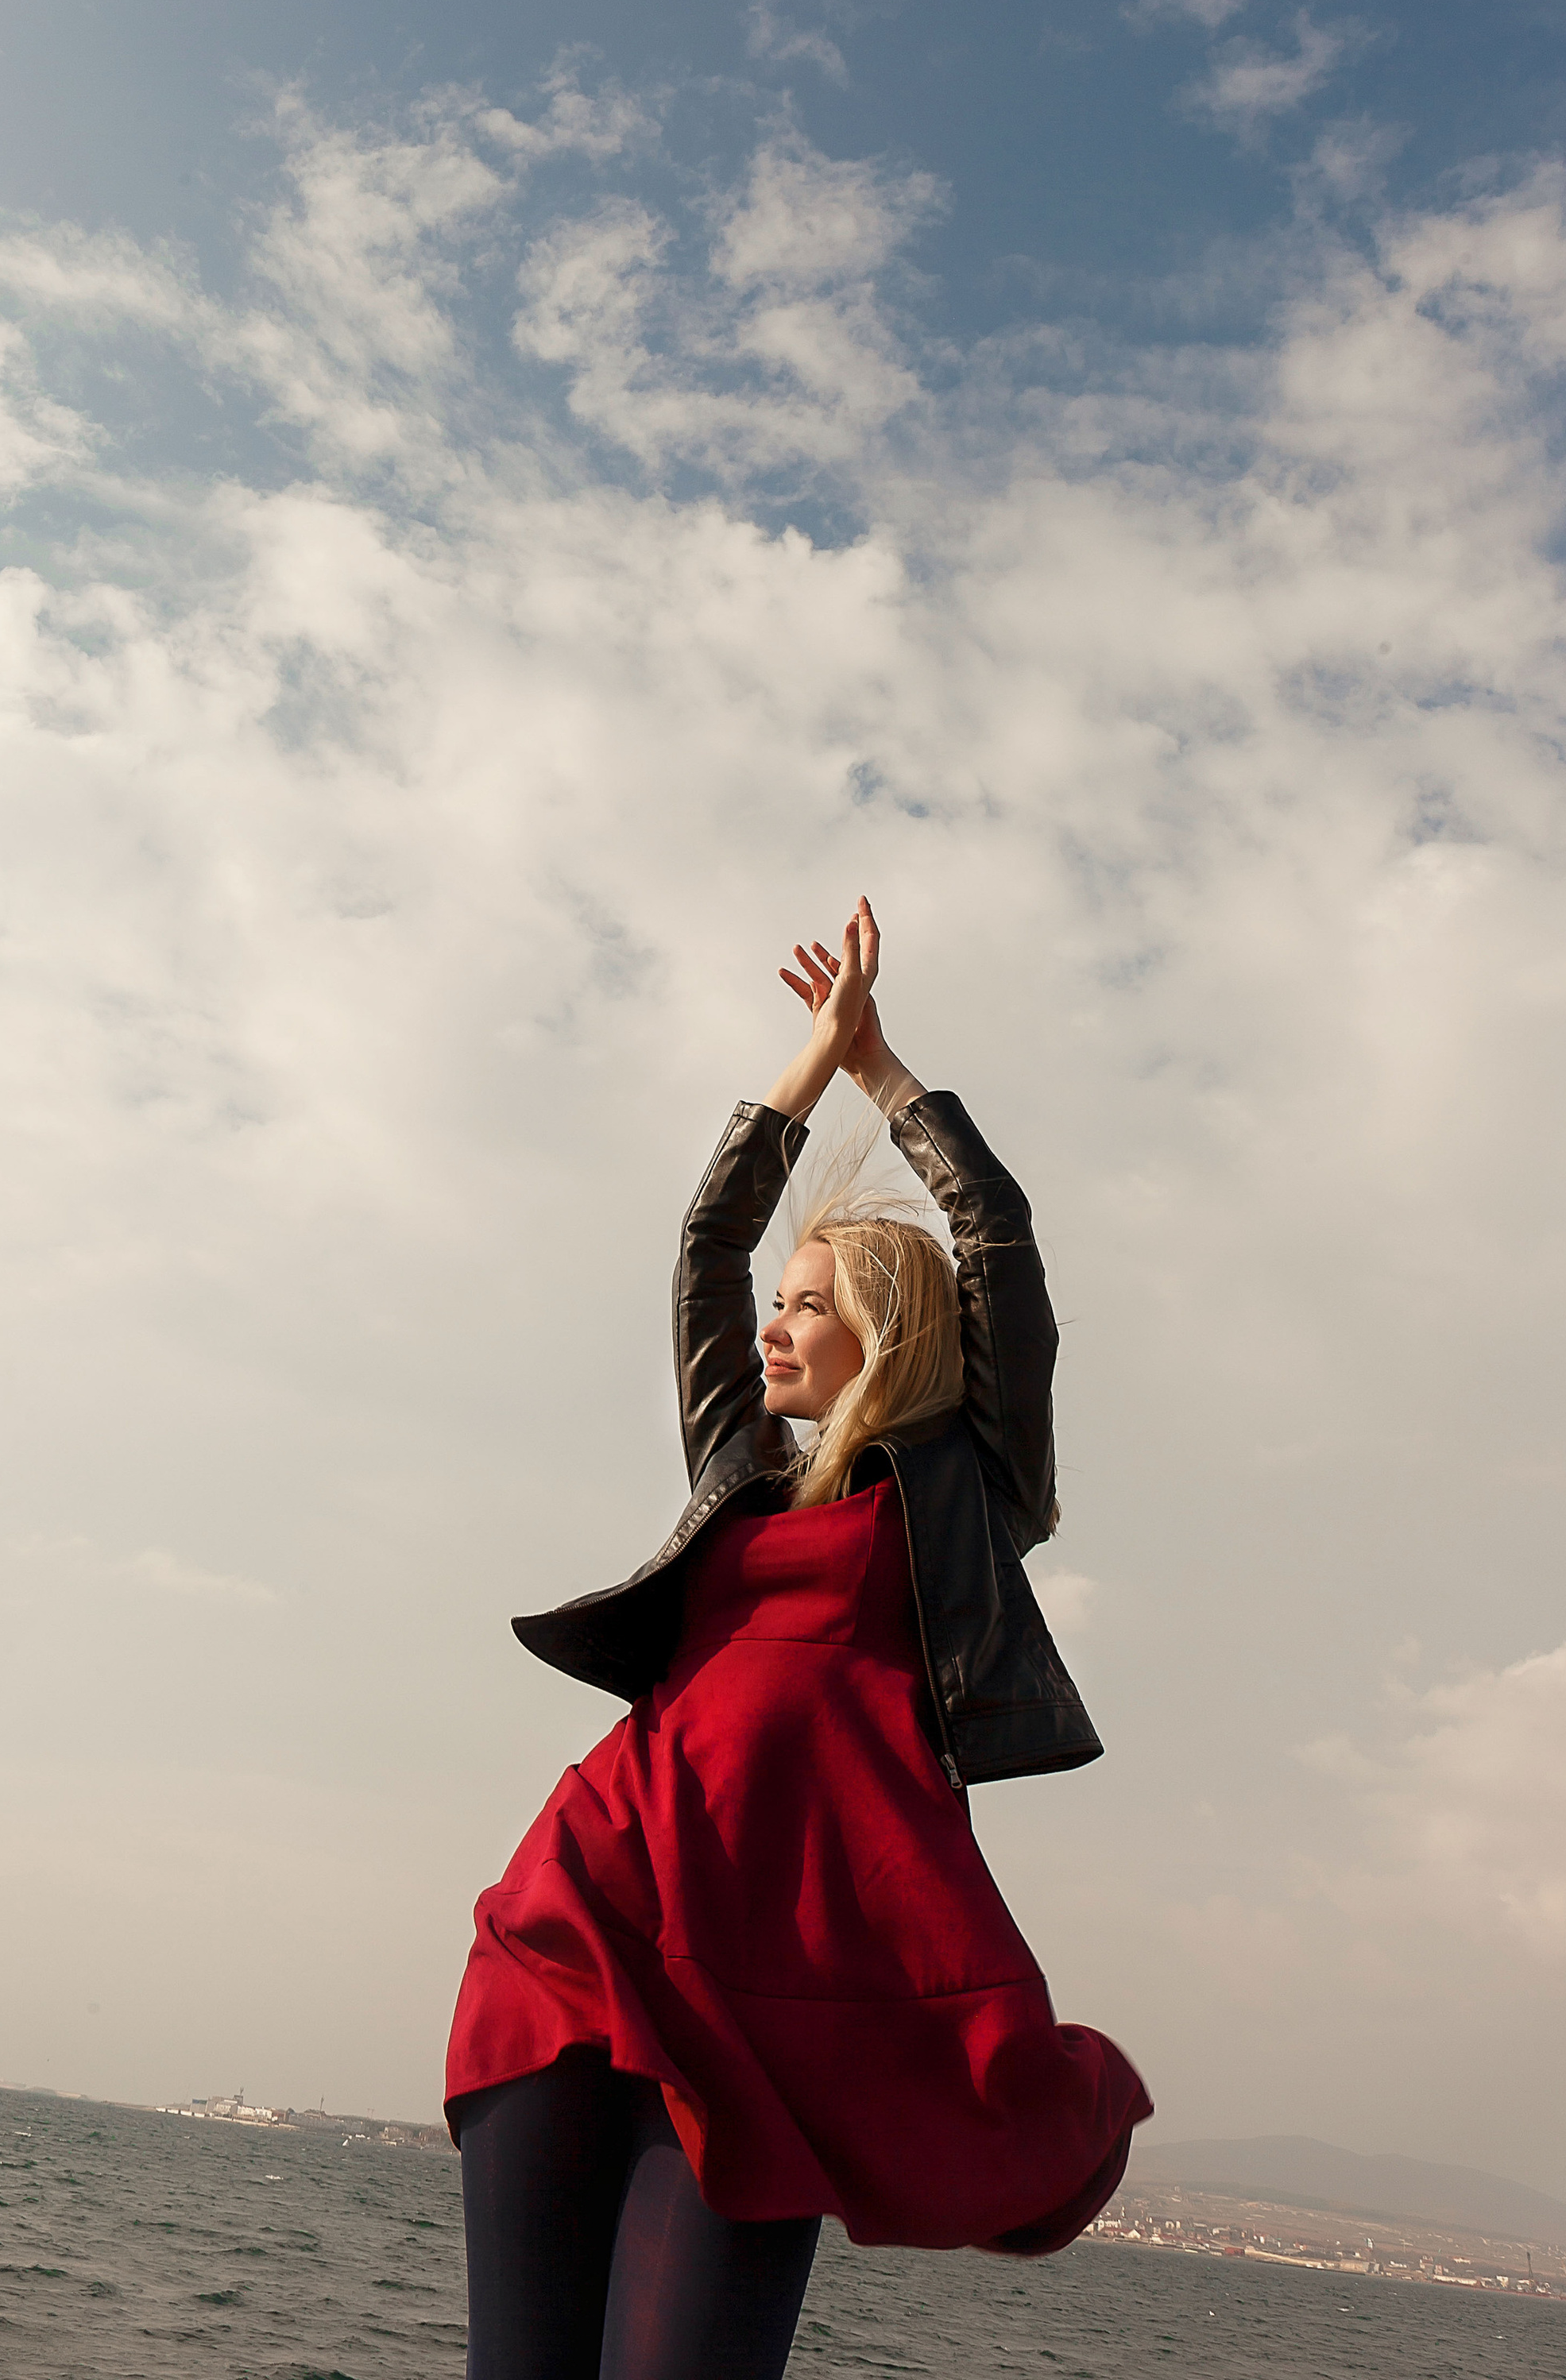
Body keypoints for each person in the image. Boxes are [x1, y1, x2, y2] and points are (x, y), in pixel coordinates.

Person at [447, 898, 1150, 2380]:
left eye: (808, 1304)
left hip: (787, 2010)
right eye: (775, 1304)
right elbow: (705, 1244)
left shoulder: (967, 1493)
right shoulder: (735, 1474)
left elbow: (998, 1241)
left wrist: (889, 1080)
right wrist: (803, 1068)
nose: (771, 1326)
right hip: (592, 1920)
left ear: (882, 1333)